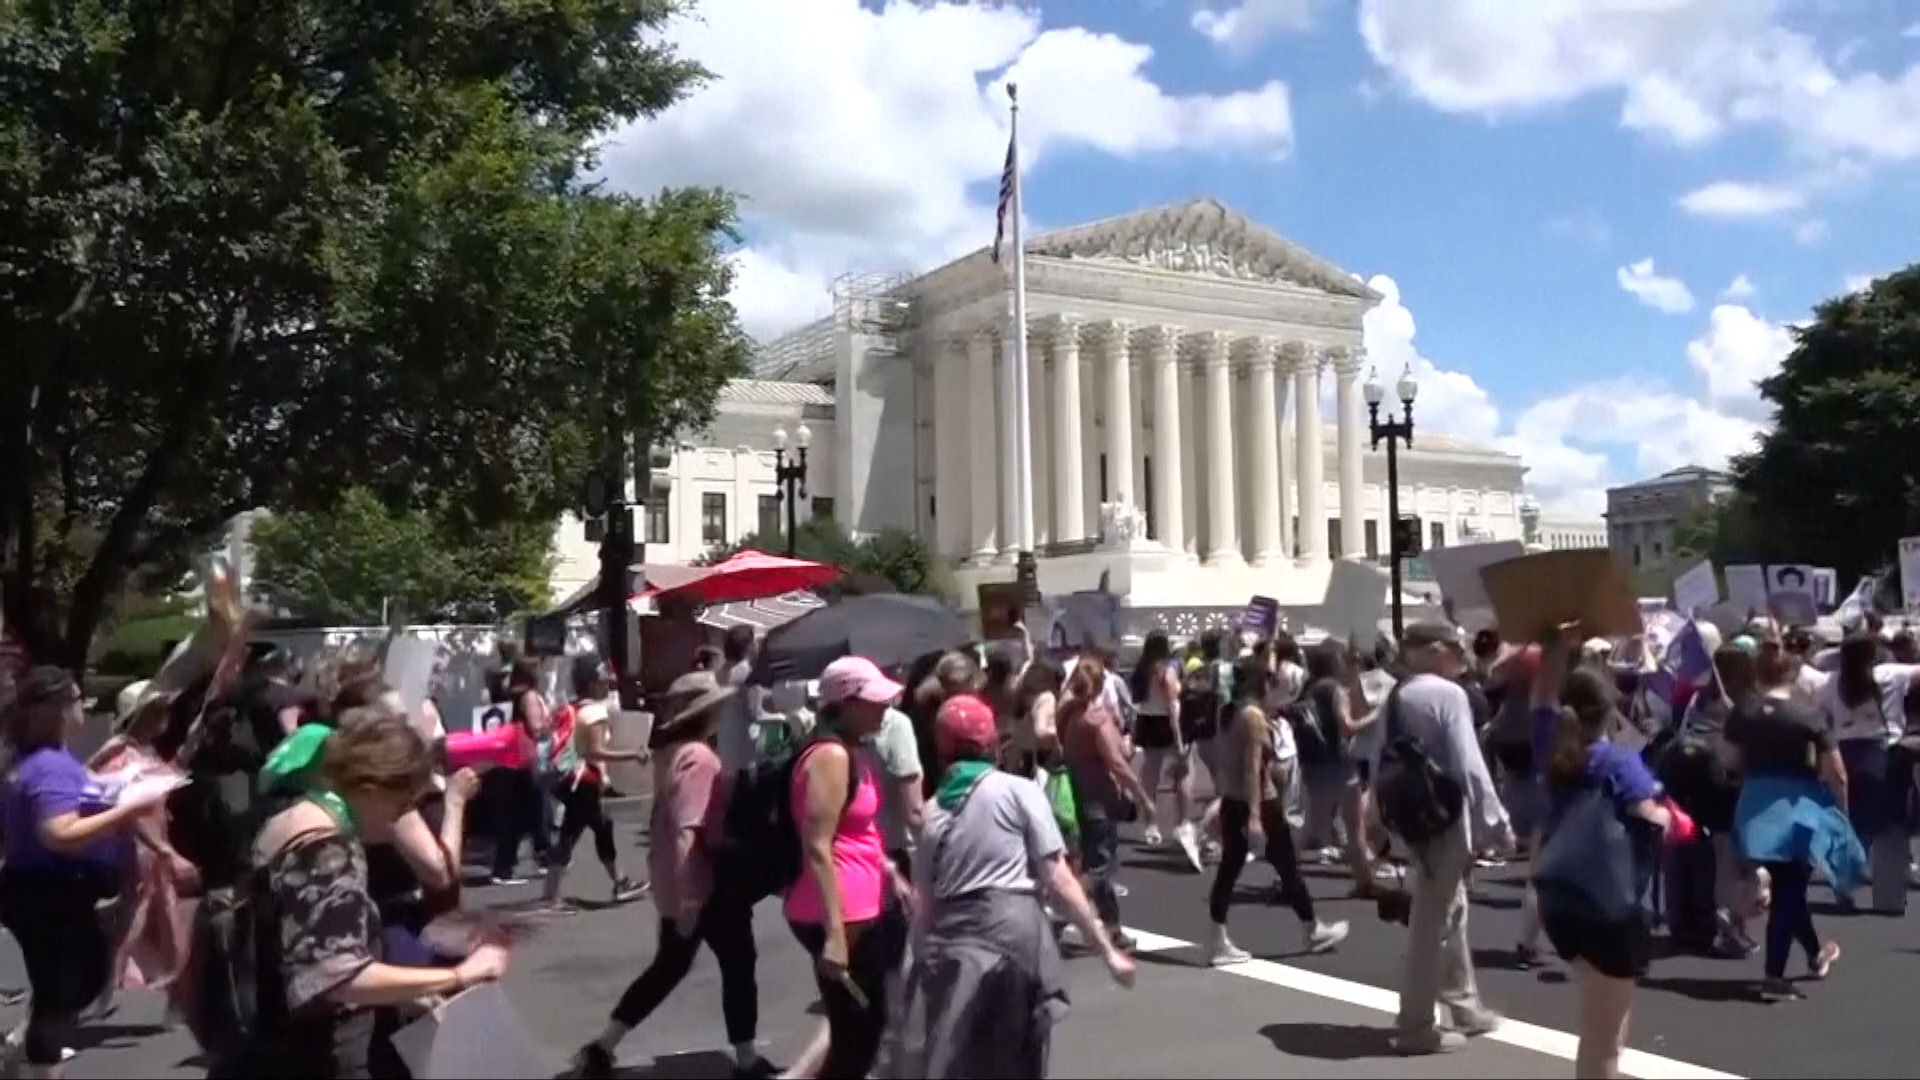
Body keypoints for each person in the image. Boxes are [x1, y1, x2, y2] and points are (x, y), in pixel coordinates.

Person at [215, 705, 509, 1078]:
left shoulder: (289, 817)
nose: (397, 819)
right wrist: (460, 976)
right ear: (372, 787)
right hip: (320, 1051)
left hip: (273, 1038)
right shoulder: (329, 847)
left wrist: (405, 991)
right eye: (400, 804)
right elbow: (338, 975)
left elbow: (300, 944)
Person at [899, 694, 1134, 1077]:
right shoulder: (1017, 791)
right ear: (992, 743)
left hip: (951, 949)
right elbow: (1058, 879)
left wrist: (914, 973)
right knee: (1021, 1054)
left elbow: (924, 905)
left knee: (966, 1058)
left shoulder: (931, 813)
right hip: (1014, 936)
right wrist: (1106, 950)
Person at [572, 671, 772, 1079]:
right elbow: (688, 830)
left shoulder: (676, 752)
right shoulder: (698, 757)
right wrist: (691, 900)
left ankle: (603, 1045)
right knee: (737, 964)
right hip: (704, 885)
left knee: (670, 967)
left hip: (679, 881)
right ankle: (748, 1059)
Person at [1, 667, 173, 1079]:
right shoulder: (48, 767)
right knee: (60, 990)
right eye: (80, 700)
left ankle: (25, 1054)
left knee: (78, 980)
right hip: (50, 890)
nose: (86, 706)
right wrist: (127, 809)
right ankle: (41, 1065)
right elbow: (58, 833)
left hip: (44, 888)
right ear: (60, 709)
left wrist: (112, 793)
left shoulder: (37, 761)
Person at [1531, 642, 1677, 1079]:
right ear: (1608, 710)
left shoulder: (1548, 744)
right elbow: (1653, 818)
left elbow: (1540, 697)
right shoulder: (1619, 761)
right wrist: (1668, 815)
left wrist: (1554, 638)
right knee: (1604, 1038)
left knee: (1600, 1021)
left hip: (1560, 897)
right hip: (1610, 904)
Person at [1382, 622, 1509, 1055]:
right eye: (1456, 648)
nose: (1462, 655)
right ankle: (1416, 1024)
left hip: (1411, 817)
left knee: (1451, 907)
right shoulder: (1447, 694)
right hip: (1444, 817)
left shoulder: (1398, 695)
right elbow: (1469, 764)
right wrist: (1496, 821)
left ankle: (1464, 1004)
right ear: (1436, 650)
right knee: (1430, 920)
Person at [788, 657, 911, 1079]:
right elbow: (818, 843)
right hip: (838, 914)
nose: (883, 709)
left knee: (859, 1032)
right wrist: (836, 934)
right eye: (873, 701)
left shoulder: (852, 751)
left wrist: (887, 869)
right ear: (845, 703)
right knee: (860, 1033)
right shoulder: (830, 756)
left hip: (860, 906)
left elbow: (857, 829)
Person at [1724, 632, 1857, 1001]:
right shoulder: (1807, 715)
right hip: (1796, 807)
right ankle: (1774, 973)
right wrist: (1842, 813)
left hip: (1753, 805)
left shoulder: (1743, 713)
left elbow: (1729, 762)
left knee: (1789, 889)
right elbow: (1837, 773)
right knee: (1790, 886)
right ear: (1793, 676)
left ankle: (1816, 954)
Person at [1205, 653, 1347, 966]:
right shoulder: (1253, 717)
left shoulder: (1238, 712)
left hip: (1239, 801)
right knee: (1239, 869)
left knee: (1276, 867)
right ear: (1263, 682)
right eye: (1272, 678)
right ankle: (1220, 940)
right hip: (1255, 804)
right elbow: (1252, 769)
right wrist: (1255, 816)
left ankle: (1311, 928)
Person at [1058, 654, 1155, 953]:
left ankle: (1113, 929)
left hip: (1080, 796)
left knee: (1097, 866)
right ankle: (1059, 914)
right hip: (1099, 800)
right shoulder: (1095, 720)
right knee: (1099, 869)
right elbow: (1117, 764)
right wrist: (1143, 797)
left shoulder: (1069, 716)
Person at [540, 655, 648, 910]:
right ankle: (551, 896)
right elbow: (595, 752)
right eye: (602, 681)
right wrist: (633, 754)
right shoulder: (595, 712)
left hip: (570, 780)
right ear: (592, 683)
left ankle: (619, 881)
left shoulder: (573, 708)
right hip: (583, 781)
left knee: (600, 827)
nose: (606, 685)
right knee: (570, 835)